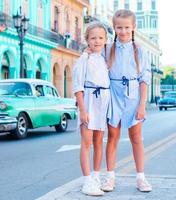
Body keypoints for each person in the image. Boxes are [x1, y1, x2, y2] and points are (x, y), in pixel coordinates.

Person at [100, 9, 152, 192]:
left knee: (136, 137)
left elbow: (145, 79)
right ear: (114, 28)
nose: (122, 31)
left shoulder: (139, 50)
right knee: (113, 136)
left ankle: (141, 178)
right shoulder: (107, 49)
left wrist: (142, 104)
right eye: (119, 27)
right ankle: (110, 177)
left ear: (133, 27)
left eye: (126, 27)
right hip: (114, 94)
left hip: (134, 95)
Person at [72, 21, 111, 196]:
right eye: (93, 38)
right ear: (87, 39)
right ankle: (87, 181)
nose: (97, 41)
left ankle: (96, 176)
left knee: (98, 142)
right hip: (88, 101)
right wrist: (83, 110)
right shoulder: (83, 59)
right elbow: (78, 87)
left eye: (101, 38)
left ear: (105, 39)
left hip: (102, 103)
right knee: (86, 143)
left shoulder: (105, 59)